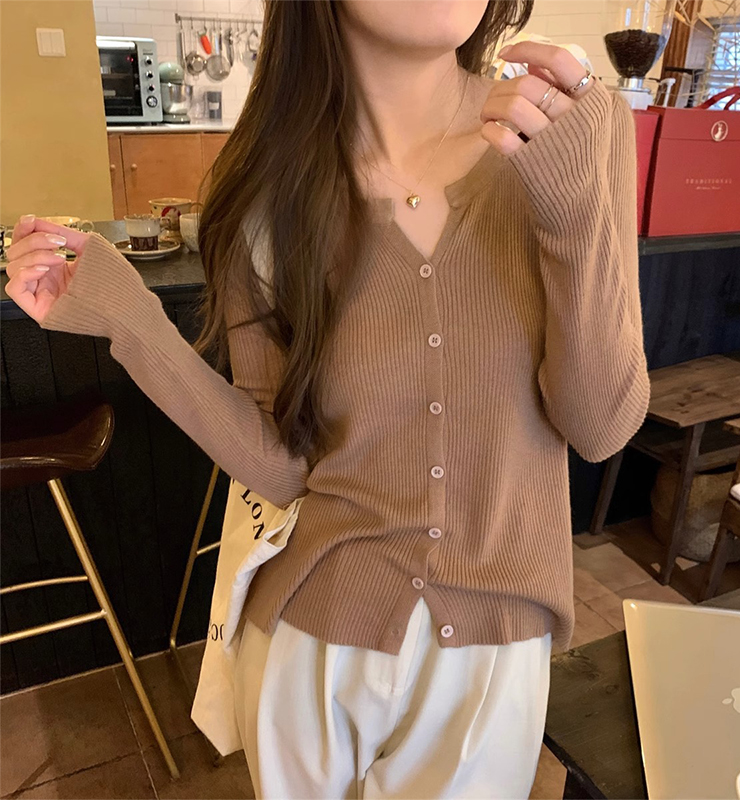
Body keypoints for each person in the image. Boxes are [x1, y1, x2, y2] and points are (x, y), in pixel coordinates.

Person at [5, 1, 650, 796]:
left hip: (492, 654)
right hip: (311, 647)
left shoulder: (576, 133)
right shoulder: (268, 188)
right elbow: (283, 465)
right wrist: (131, 321)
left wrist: (574, 216)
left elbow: (601, 426)